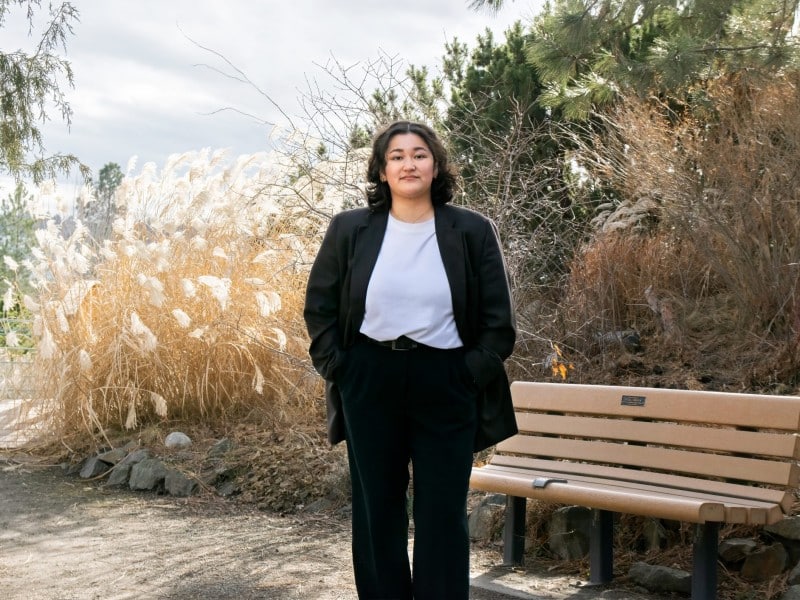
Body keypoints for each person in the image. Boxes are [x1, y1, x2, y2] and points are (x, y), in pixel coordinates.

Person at [303, 120, 517, 600]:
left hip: (445, 380)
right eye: (396, 156)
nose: (408, 163)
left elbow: (498, 323)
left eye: (418, 154)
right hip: (369, 377)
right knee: (378, 507)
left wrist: (467, 375)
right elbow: (319, 306)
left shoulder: (472, 230)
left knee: (442, 511)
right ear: (381, 171)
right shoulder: (349, 230)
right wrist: (340, 367)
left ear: (435, 165)